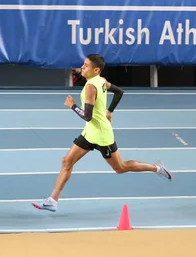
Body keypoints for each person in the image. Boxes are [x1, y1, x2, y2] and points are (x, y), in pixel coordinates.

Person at [32, 54, 172, 212]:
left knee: (121, 167)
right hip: (89, 133)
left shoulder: (91, 86)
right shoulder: (102, 81)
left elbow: (87, 116)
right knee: (67, 162)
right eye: (83, 64)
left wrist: (72, 105)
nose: (83, 67)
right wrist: (109, 112)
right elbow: (119, 92)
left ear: (96, 69)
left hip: (102, 136)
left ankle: (157, 168)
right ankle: (52, 200)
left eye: (86, 65)